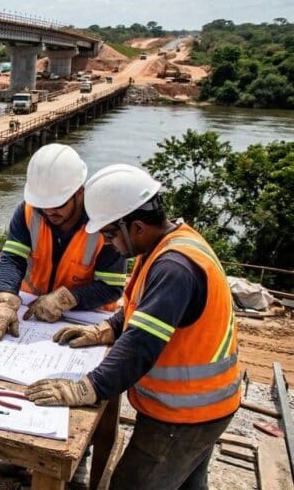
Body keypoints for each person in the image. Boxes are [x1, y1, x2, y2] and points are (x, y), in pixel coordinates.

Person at [26, 164, 241, 490]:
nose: (109, 244)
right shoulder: (165, 246)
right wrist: (109, 328)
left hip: (184, 415)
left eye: (111, 234)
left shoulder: (173, 267)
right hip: (199, 407)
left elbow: (140, 345)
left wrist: (86, 388)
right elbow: (141, 309)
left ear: (136, 227)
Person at [0, 143, 127, 341]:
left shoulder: (104, 224)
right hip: (32, 313)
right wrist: (6, 298)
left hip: (87, 321)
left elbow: (111, 287)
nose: (49, 212)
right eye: (43, 205)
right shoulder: (28, 212)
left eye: (58, 204)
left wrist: (64, 299)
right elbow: (12, 258)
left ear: (79, 192)